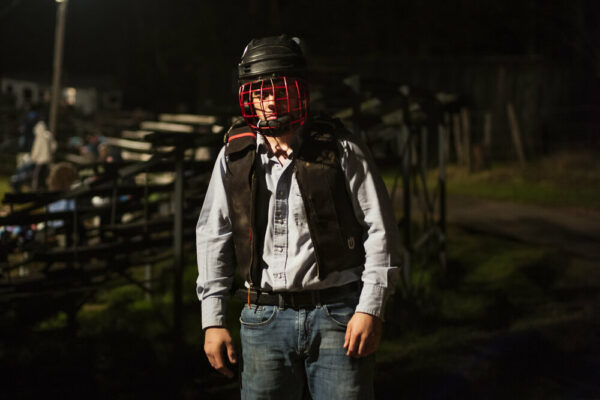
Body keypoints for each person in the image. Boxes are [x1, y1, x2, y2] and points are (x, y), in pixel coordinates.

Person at [196, 35, 401, 399]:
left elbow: (380, 230)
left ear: (300, 91)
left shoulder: (339, 149)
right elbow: (215, 234)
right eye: (260, 91)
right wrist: (212, 319)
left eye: (281, 89)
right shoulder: (235, 155)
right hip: (262, 319)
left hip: (338, 315)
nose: (271, 101)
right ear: (248, 98)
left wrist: (371, 308)